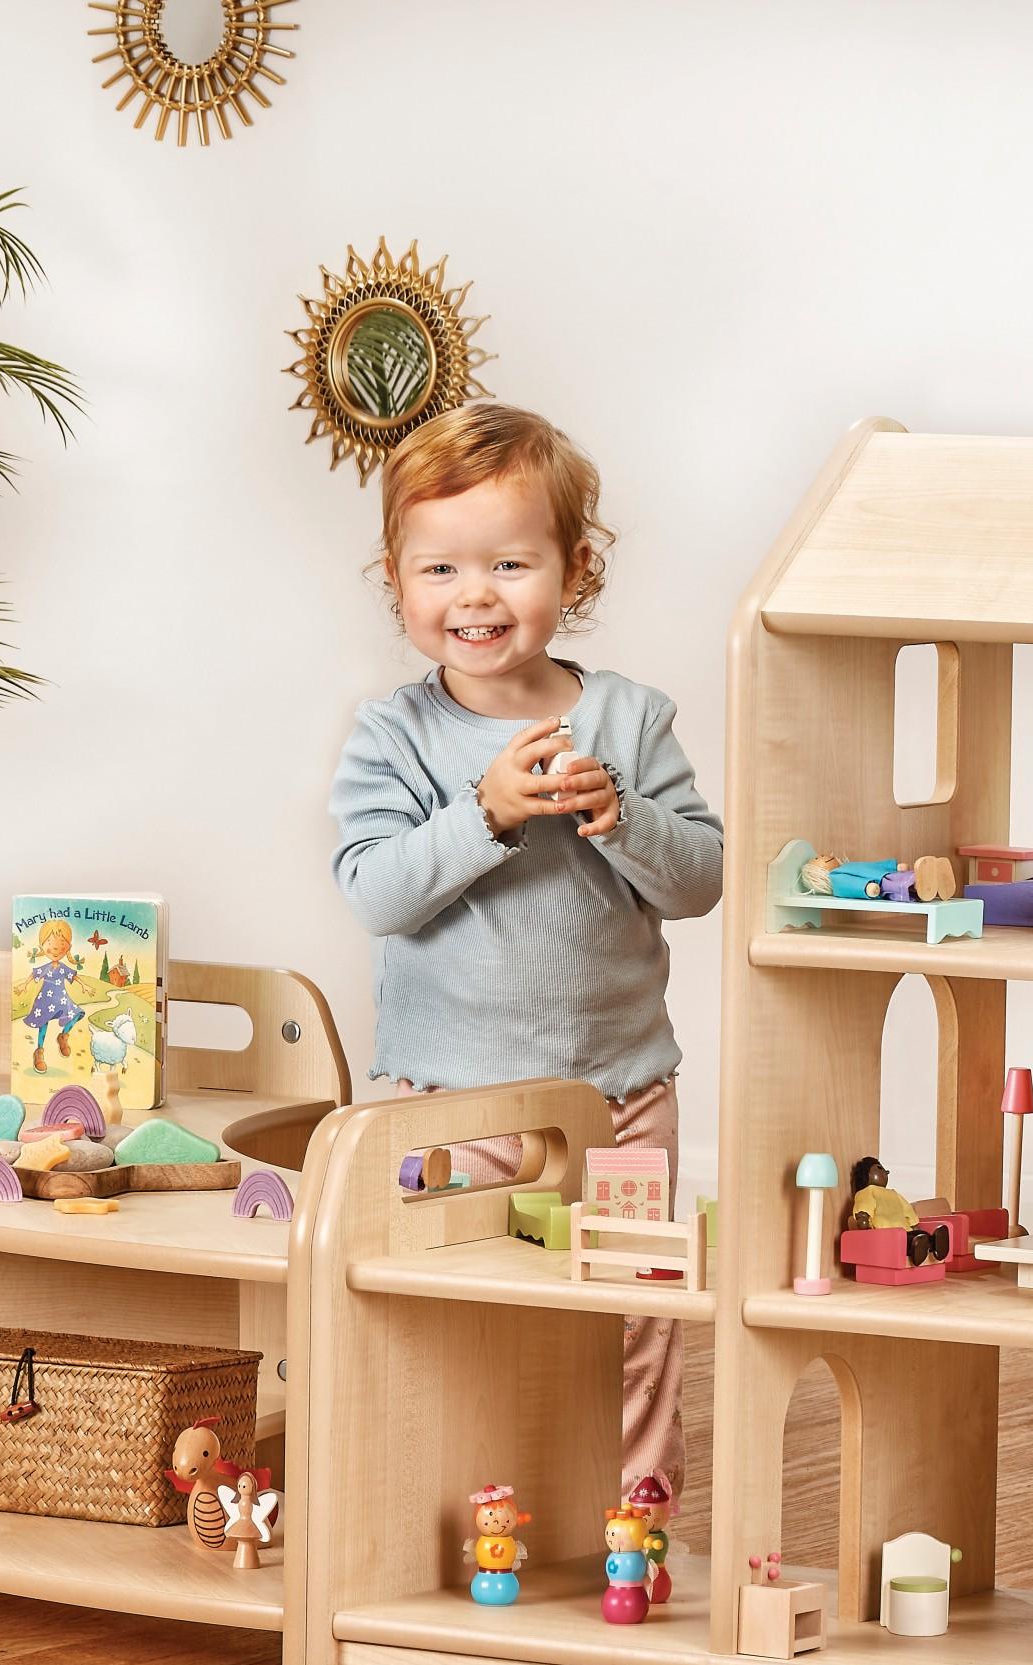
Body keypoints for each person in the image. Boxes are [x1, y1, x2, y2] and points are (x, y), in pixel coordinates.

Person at [328, 402, 722, 1493]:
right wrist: (486, 813)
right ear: (397, 582)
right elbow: (376, 892)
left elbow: (700, 881)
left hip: (621, 1095)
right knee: (465, 1316)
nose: (476, 595)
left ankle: (634, 1517)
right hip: (455, 1106)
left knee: (636, 1310)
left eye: (510, 563)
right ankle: (464, 1509)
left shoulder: (630, 721)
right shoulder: (395, 734)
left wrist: (624, 816)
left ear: (574, 569)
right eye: (441, 569)